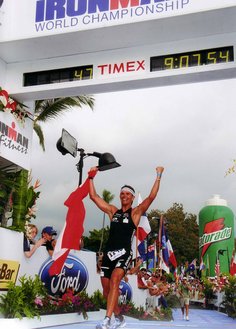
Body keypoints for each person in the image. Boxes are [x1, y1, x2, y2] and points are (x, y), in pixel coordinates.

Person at [89, 165, 164, 329]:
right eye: (122, 193)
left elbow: (151, 197)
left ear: (131, 198)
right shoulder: (112, 211)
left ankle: (107, 320)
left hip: (124, 253)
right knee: (106, 292)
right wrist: (90, 178)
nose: (124, 196)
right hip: (109, 254)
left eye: (128, 194)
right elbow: (93, 196)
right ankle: (119, 318)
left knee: (116, 280)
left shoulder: (135, 213)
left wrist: (158, 175)